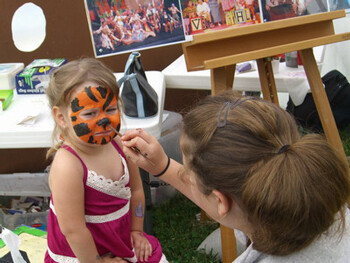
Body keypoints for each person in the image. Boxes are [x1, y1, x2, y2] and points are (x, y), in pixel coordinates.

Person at [121, 91, 350, 262]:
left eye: (189, 174)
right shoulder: (327, 210)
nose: (185, 175)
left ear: (222, 200)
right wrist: (163, 166)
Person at [44, 58, 167, 263]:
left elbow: (136, 191)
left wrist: (136, 231)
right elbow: (73, 230)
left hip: (119, 240)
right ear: (61, 117)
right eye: (90, 113)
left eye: (110, 109)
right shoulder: (68, 166)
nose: (103, 120)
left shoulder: (118, 144)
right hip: (83, 254)